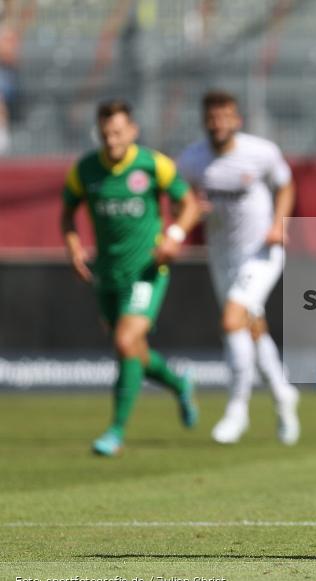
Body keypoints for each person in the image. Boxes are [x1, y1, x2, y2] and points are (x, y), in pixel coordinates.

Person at [61, 99, 201, 456]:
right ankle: (179, 382)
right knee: (133, 350)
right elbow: (67, 214)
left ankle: (115, 431)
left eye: (119, 132)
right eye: (106, 133)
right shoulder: (85, 170)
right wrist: (74, 247)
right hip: (107, 274)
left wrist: (174, 237)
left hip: (147, 271)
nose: (112, 140)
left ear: (133, 131)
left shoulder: (154, 165)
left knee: (125, 343)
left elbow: (189, 205)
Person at [177, 90, 300, 446]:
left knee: (232, 319)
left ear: (236, 120)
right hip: (223, 255)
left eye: (224, 117)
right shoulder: (192, 159)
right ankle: (282, 394)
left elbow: (286, 184)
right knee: (252, 326)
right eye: (212, 118)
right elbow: (179, 196)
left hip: (262, 252)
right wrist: (189, 209)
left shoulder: (260, 152)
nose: (218, 124)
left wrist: (280, 223)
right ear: (205, 121)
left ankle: (237, 408)